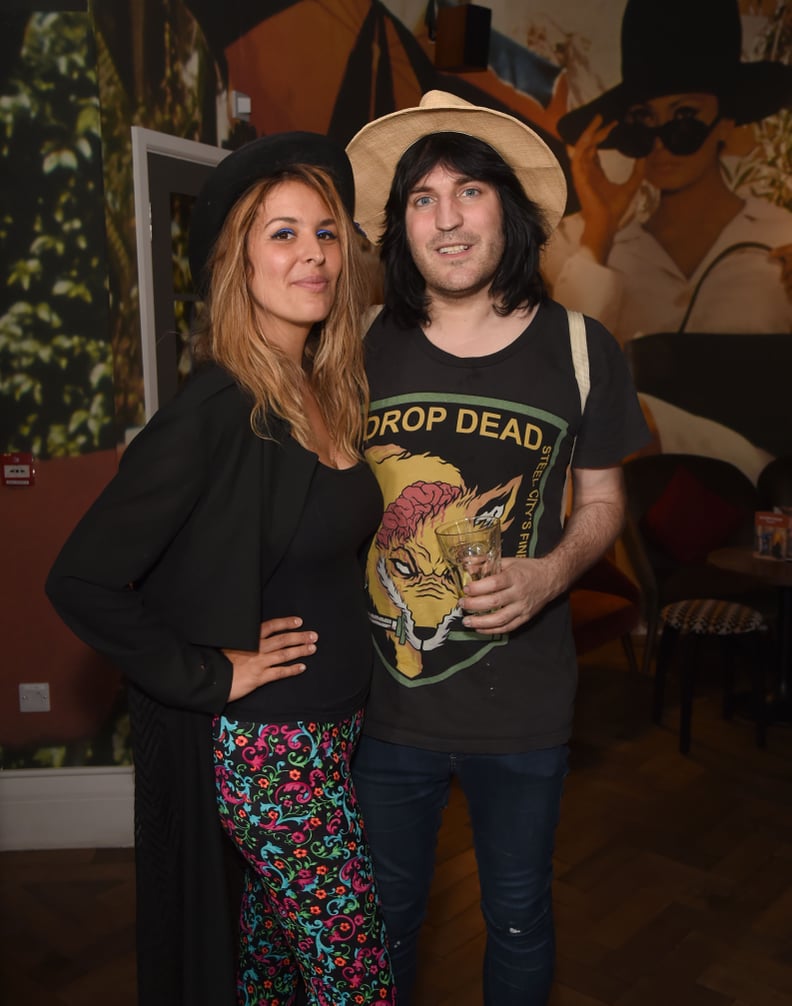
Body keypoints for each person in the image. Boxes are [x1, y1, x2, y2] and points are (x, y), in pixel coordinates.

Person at [45, 133, 395, 1006]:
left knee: (271, 975)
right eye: (282, 233)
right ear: (236, 261)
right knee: (360, 984)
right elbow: (80, 577)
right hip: (275, 753)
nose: (312, 254)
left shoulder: (324, 387)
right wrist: (209, 672)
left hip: (335, 730)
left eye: (325, 232)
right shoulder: (216, 406)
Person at [343, 90, 650, 1004]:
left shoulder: (583, 349)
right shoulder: (358, 346)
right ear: (400, 227)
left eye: (468, 191)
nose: (447, 218)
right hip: (380, 706)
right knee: (383, 917)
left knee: (517, 915)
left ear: (507, 212)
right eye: (422, 198)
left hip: (523, 704)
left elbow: (602, 499)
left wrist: (550, 572)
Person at [543, 0, 792, 482]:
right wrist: (601, 231)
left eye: (683, 117)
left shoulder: (781, 237)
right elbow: (560, 383)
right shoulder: (585, 245)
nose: (659, 142)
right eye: (642, 120)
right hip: (634, 499)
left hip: (755, 482)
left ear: (726, 122)